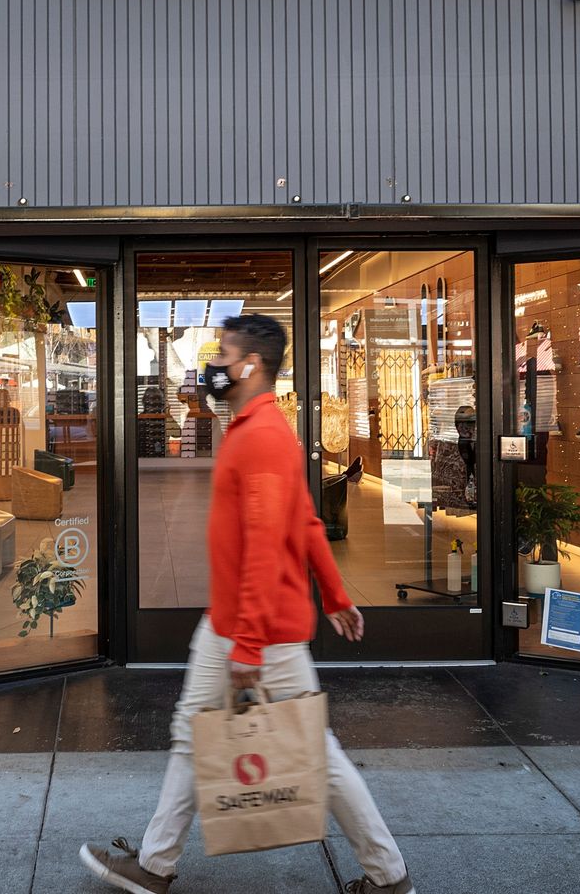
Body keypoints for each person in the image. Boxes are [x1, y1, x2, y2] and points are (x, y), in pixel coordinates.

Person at [81, 314, 413, 894]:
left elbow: (264, 544)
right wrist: (335, 596)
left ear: (250, 365)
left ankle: (387, 876)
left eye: (222, 354)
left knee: (307, 751)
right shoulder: (259, 428)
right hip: (243, 621)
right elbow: (306, 522)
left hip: (255, 628)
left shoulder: (260, 436)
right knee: (201, 733)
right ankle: (155, 865)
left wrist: (250, 645)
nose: (213, 366)